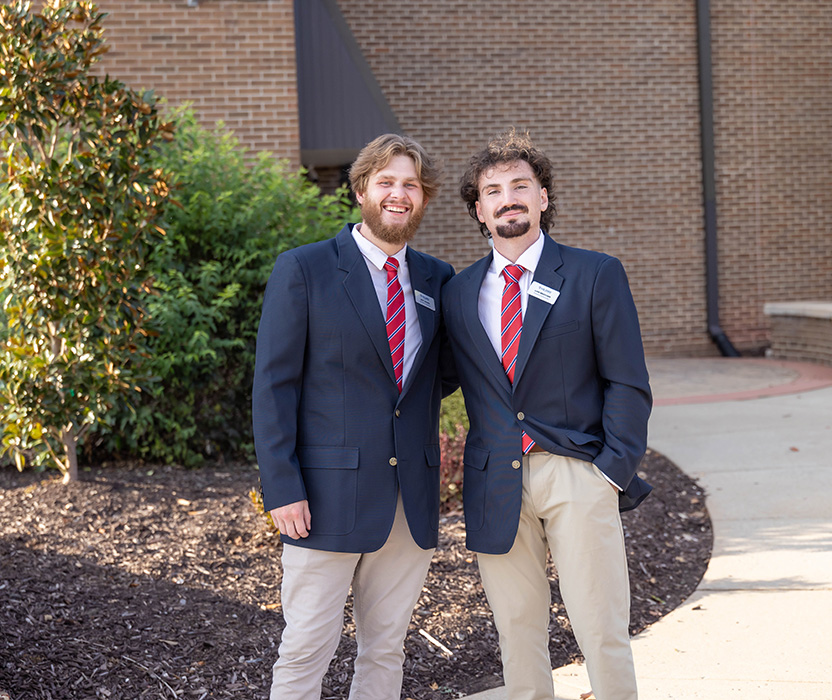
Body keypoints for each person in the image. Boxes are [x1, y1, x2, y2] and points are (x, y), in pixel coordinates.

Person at [441, 129, 652, 700]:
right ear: (479, 211)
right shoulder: (458, 294)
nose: (507, 197)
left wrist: (611, 471)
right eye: (492, 191)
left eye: (520, 185)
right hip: (493, 481)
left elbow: (628, 383)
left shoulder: (593, 274)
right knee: (516, 631)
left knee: (601, 629)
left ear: (543, 198)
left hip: (576, 472)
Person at [252, 133, 455, 700]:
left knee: (386, 649)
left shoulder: (437, 278)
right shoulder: (306, 269)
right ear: (362, 189)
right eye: (386, 182)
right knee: (306, 649)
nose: (399, 194)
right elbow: (273, 386)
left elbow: (439, 375)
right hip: (324, 498)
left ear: (423, 197)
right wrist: (282, 486)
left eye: (410, 185)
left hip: (407, 499)